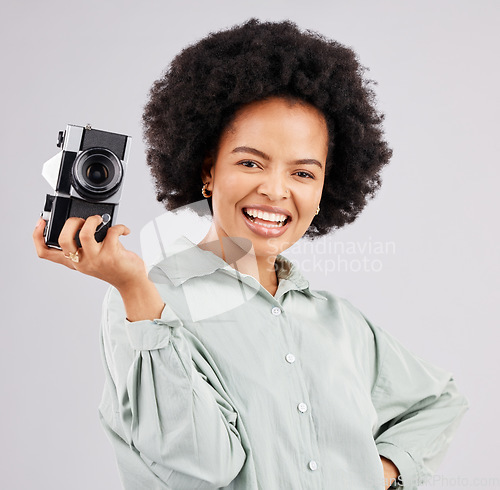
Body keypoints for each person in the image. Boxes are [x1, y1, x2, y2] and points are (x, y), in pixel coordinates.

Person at [33, 19, 468, 490]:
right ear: (208, 171)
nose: (275, 190)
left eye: (303, 173)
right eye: (250, 162)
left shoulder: (339, 322)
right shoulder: (144, 305)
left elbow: (439, 400)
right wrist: (135, 289)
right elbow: (202, 467)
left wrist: (381, 472)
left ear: (326, 189)